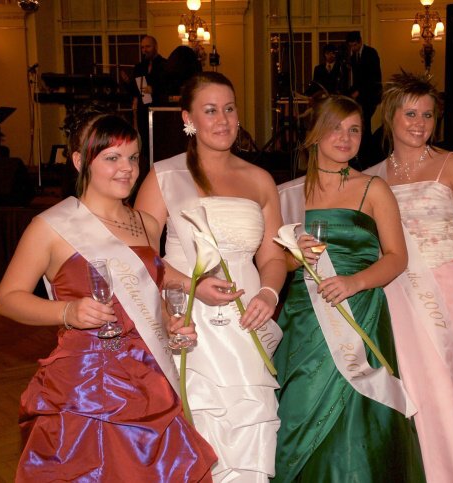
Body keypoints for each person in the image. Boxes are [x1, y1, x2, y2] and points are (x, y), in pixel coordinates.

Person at [0, 112, 216, 481]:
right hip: (86, 382)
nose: (127, 168)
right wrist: (67, 311)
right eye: (112, 158)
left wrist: (171, 324)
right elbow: (7, 298)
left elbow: (149, 292)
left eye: (133, 157)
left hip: (149, 374)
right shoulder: (50, 227)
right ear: (80, 160)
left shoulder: (145, 223)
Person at [135, 72, 286, 482]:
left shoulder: (260, 179)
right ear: (188, 118)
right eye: (211, 110)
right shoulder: (165, 176)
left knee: (250, 428)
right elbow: (140, 256)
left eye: (229, 109)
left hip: (246, 323)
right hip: (186, 323)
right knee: (195, 430)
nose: (223, 120)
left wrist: (269, 294)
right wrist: (192, 287)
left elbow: (273, 256)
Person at [277, 95, 424, 482]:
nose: (345, 137)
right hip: (304, 317)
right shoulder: (287, 194)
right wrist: (295, 257)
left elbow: (397, 257)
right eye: (335, 127)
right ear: (314, 132)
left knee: (358, 416)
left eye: (354, 130)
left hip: (360, 311)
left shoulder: (373, 188)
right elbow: (276, 263)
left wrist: (354, 282)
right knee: (299, 406)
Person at [364, 72, 453, 482]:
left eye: (428, 115)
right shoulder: (372, 177)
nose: (420, 123)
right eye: (410, 113)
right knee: (416, 393)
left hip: (449, 295)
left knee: (452, 391)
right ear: (390, 116)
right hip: (398, 299)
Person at [129, 35, 167, 177]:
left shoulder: (165, 65)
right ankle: (147, 174)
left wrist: (154, 89)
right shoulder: (139, 67)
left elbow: (168, 87)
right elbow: (136, 89)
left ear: (155, 47)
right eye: (142, 47)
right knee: (145, 144)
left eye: (148, 46)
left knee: (160, 143)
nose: (144, 50)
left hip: (161, 111)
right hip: (143, 111)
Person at [345, 31, 382, 163]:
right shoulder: (354, 57)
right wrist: (350, 92)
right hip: (362, 96)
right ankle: (363, 154)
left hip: (371, 95)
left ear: (360, 41)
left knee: (365, 124)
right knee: (363, 124)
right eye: (351, 46)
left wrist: (358, 92)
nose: (353, 48)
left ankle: (368, 156)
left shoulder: (371, 53)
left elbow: (373, 77)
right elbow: (358, 80)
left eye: (355, 45)